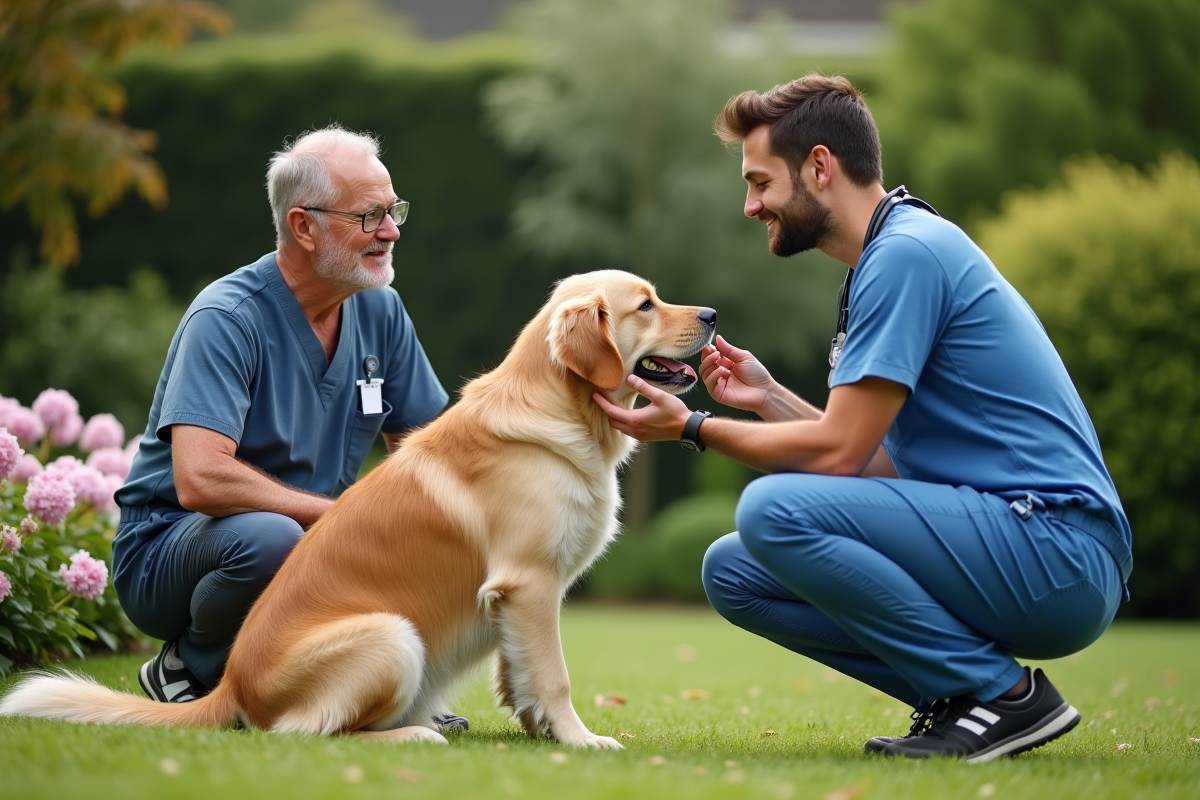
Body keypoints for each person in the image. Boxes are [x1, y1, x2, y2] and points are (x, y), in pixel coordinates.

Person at [593, 75, 1131, 761]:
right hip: (1017, 542)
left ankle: (1002, 697)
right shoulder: (888, 254)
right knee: (734, 570)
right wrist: (770, 400)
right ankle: (962, 701)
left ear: (820, 167)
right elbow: (879, 467)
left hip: (1058, 552)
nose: (750, 204)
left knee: (773, 511)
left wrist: (692, 427)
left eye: (760, 183)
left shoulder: (906, 255)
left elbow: (841, 456)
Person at [112, 125, 467, 730]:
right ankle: (191, 667)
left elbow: (435, 448)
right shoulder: (226, 317)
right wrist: (337, 519)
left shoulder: (381, 310)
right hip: (171, 554)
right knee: (272, 537)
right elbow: (198, 479)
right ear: (303, 227)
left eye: (394, 209)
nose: (392, 231)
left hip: (311, 544)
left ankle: (387, 695)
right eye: (370, 216)